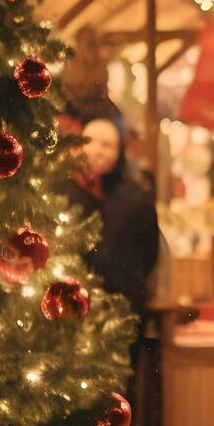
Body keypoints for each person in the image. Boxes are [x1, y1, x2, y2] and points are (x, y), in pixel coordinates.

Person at [65, 116, 161, 334]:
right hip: (75, 299)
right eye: (90, 142)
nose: (99, 151)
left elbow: (150, 248)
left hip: (125, 299)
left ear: (120, 151)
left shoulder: (136, 196)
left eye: (107, 145)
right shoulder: (65, 191)